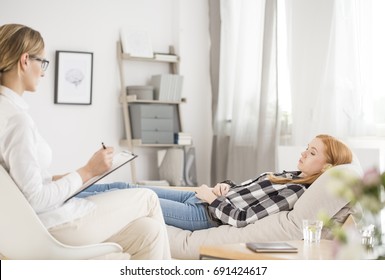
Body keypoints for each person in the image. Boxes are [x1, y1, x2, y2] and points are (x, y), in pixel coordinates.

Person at [0, 23, 170, 259]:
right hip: (51, 228)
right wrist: (87, 171)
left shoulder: (6, 112)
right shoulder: (17, 121)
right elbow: (35, 199)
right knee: (148, 197)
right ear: (25, 60)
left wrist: (86, 173)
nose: (43, 71)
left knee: (148, 232)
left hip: (36, 227)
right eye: (42, 62)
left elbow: (26, 184)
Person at [77, 134, 353, 232]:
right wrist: (224, 186)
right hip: (202, 198)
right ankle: (72, 192)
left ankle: (70, 203)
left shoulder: (296, 191)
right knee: (131, 188)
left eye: (312, 152)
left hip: (204, 214)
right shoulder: (291, 176)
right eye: (307, 147)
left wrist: (213, 199)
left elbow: (244, 218)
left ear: (327, 168)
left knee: (131, 201)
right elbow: (244, 190)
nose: (304, 152)